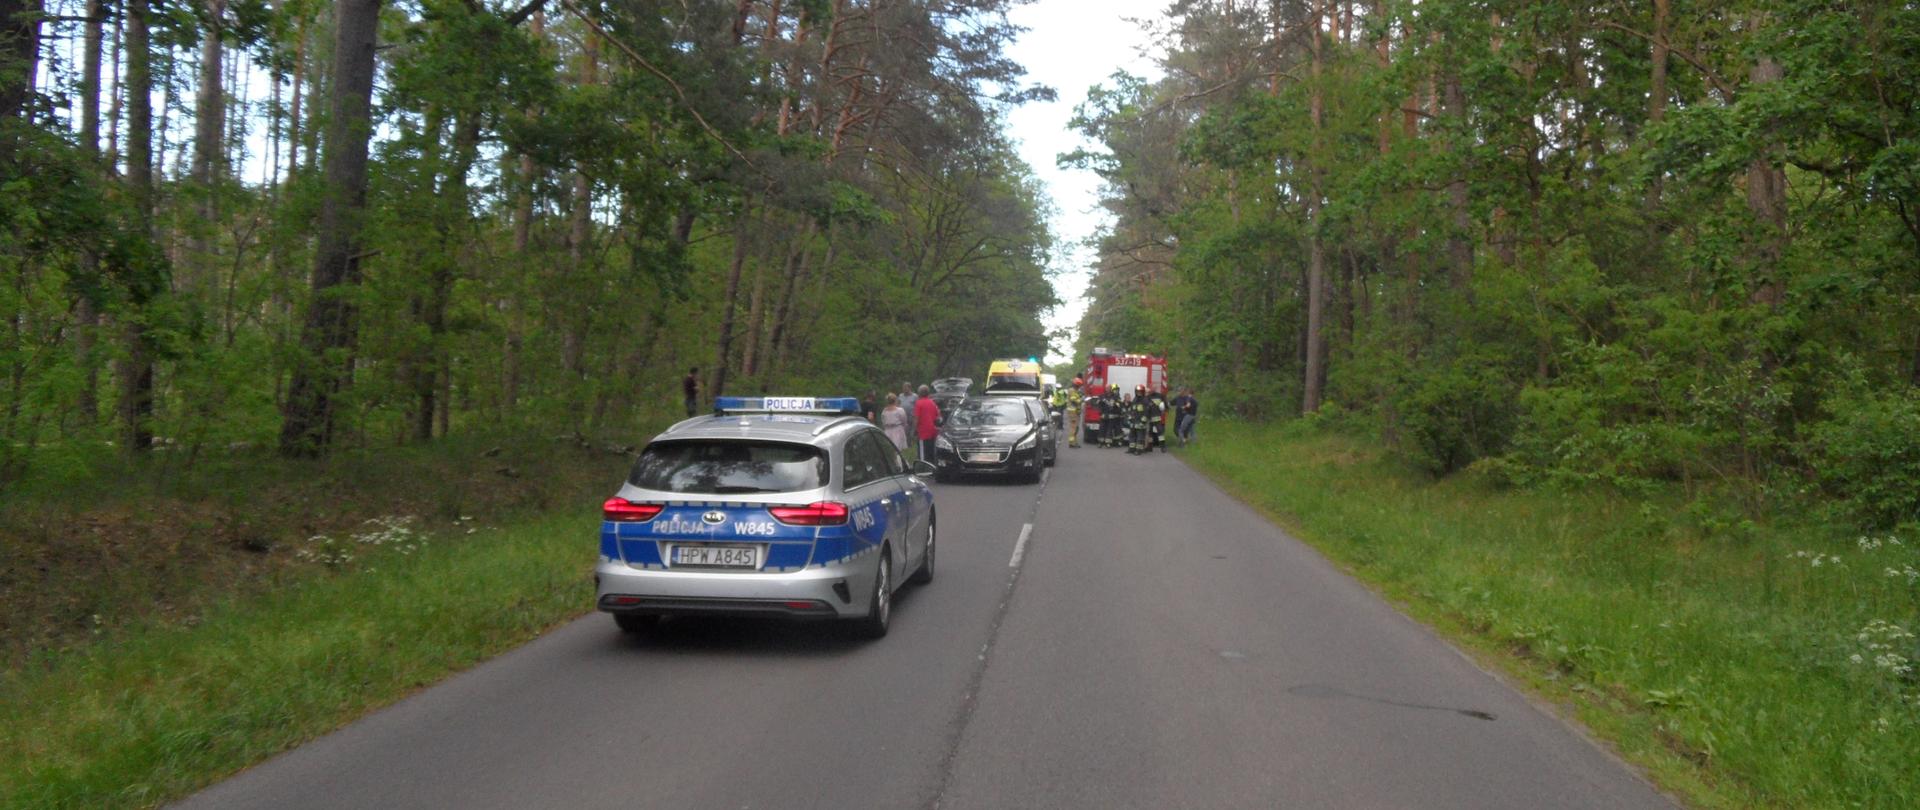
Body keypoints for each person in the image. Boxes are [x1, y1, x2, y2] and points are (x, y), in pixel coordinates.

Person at [913, 384, 942, 463]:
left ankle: (922, 468)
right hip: (932, 432)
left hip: (923, 432)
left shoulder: (918, 403)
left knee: (922, 454)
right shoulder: (933, 403)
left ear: (920, 393)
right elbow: (938, 418)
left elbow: (916, 418)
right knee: (931, 452)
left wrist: (914, 430)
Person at [1063, 378, 1085, 447]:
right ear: (1077, 385)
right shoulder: (1072, 391)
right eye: (1079, 385)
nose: (1079, 387)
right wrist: (1081, 400)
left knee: (1076, 427)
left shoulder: (1075, 391)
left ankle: (1074, 442)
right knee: (1073, 427)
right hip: (1073, 412)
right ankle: (1072, 443)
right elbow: (1074, 400)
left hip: (1075, 412)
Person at [1146, 387, 1168, 453]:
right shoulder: (1147, 397)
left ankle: (1163, 447)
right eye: (1150, 389)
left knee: (1160, 433)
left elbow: (1165, 404)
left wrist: (1165, 409)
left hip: (1157, 418)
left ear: (1155, 389)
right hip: (1150, 418)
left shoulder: (1160, 396)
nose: (1151, 390)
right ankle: (1150, 447)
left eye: (1153, 389)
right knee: (1150, 434)